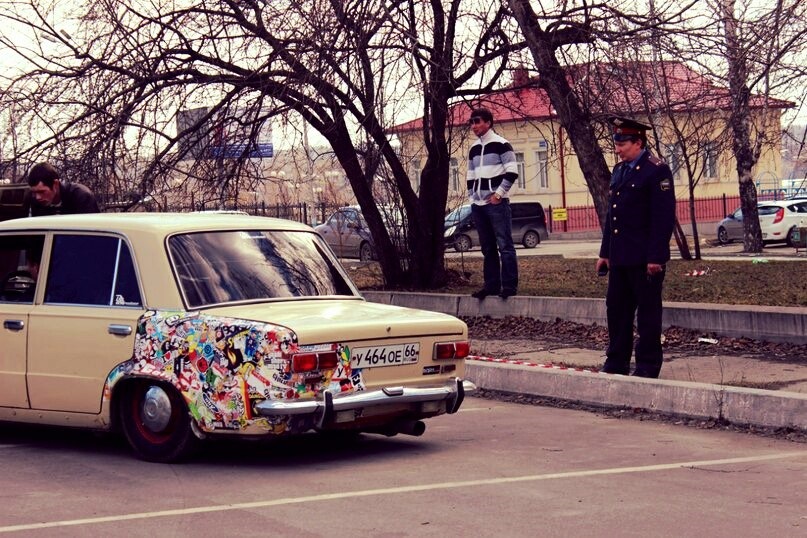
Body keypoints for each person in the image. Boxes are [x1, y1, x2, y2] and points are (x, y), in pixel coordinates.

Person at [595, 117, 676, 378]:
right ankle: (616, 361)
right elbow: (612, 216)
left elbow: (662, 218)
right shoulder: (620, 170)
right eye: (616, 144)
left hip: (644, 259)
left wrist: (656, 257)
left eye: (623, 144)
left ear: (638, 143)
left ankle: (647, 365)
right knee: (617, 311)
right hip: (620, 257)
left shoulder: (656, 170)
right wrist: (605, 252)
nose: (618, 149)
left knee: (648, 315)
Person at [466, 107, 519, 299]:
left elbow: (512, 171)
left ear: (488, 122)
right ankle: (491, 286)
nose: (474, 126)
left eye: (477, 121)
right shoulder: (473, 148)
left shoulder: (502, 144)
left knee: (505, 245)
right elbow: (470, 175)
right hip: (479, 205)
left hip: (497, 204)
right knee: (487, 248)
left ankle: (509, 287)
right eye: (472, 122)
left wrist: (498, 194)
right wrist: (472, 198)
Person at [24, 162, 100, 216]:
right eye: (35, 192)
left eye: (42, 192)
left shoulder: (81, 197)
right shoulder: (34, 201)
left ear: (55, 184)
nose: (38, 197)